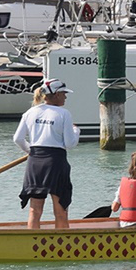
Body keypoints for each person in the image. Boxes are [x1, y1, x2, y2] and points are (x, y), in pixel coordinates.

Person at [13, 78, 80, 230]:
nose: (66, 97)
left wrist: (31, 151)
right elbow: (70, 144)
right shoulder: (64, 113)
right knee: (60, 210)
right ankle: (62, 248)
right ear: (56, 94)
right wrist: (76, 131)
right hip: (56, 162)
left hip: (35, 162)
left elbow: (17, 139)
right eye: (64, 93)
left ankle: (31, 246)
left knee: (34, 210)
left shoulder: (30, 112)